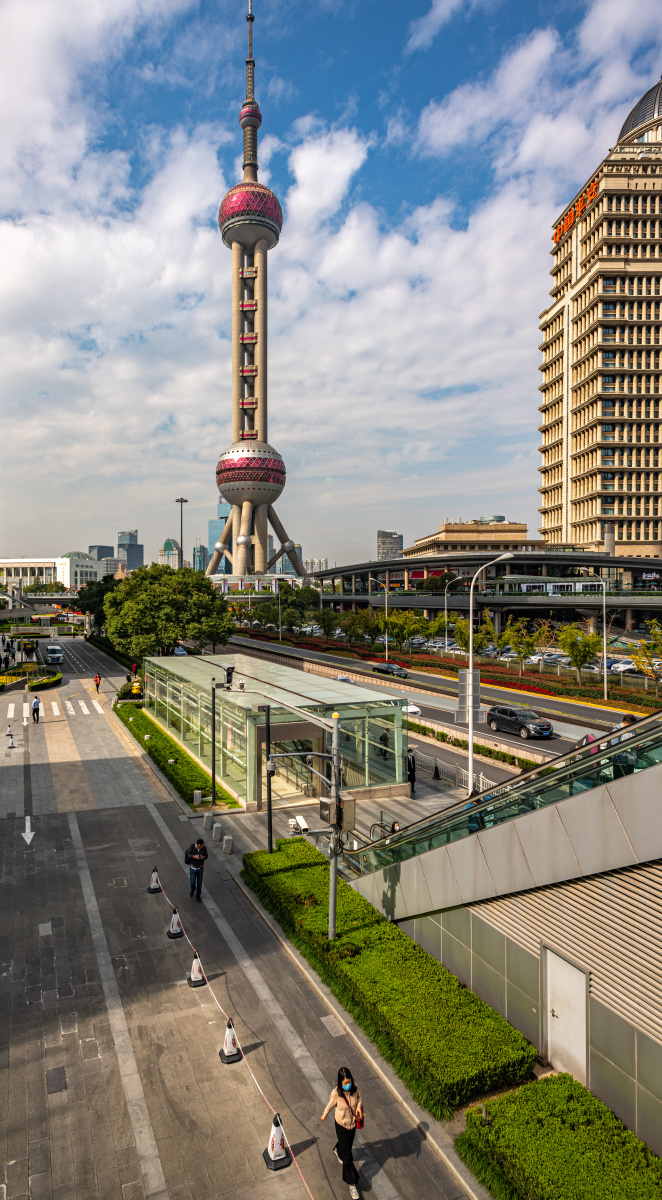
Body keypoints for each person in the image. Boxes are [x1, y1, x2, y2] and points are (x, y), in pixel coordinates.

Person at [321, 1067, 364, 1199]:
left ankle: (338, 1149)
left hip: (352, 1126)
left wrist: (358, 1108)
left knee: (347, 1147)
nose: (348, 1084)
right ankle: (352, 1183)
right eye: (345, 1083)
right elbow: (330, 1104)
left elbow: (359, 1098)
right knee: (348, 1157)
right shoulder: (336, 1093)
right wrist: (324, 1114)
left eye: (349, 1081)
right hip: (341, 1126)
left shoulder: (355, 1088)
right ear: (340, 1082)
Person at [612, 712, 638, 779]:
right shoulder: (617, 730)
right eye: (631, 724)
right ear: (625, 723)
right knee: (619, 780)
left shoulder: (633, 730)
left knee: (628, 781)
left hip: (631, 760)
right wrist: (631, 745)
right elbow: (615, 745)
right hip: (620, 761)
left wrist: (637, 745)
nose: (632, 727)